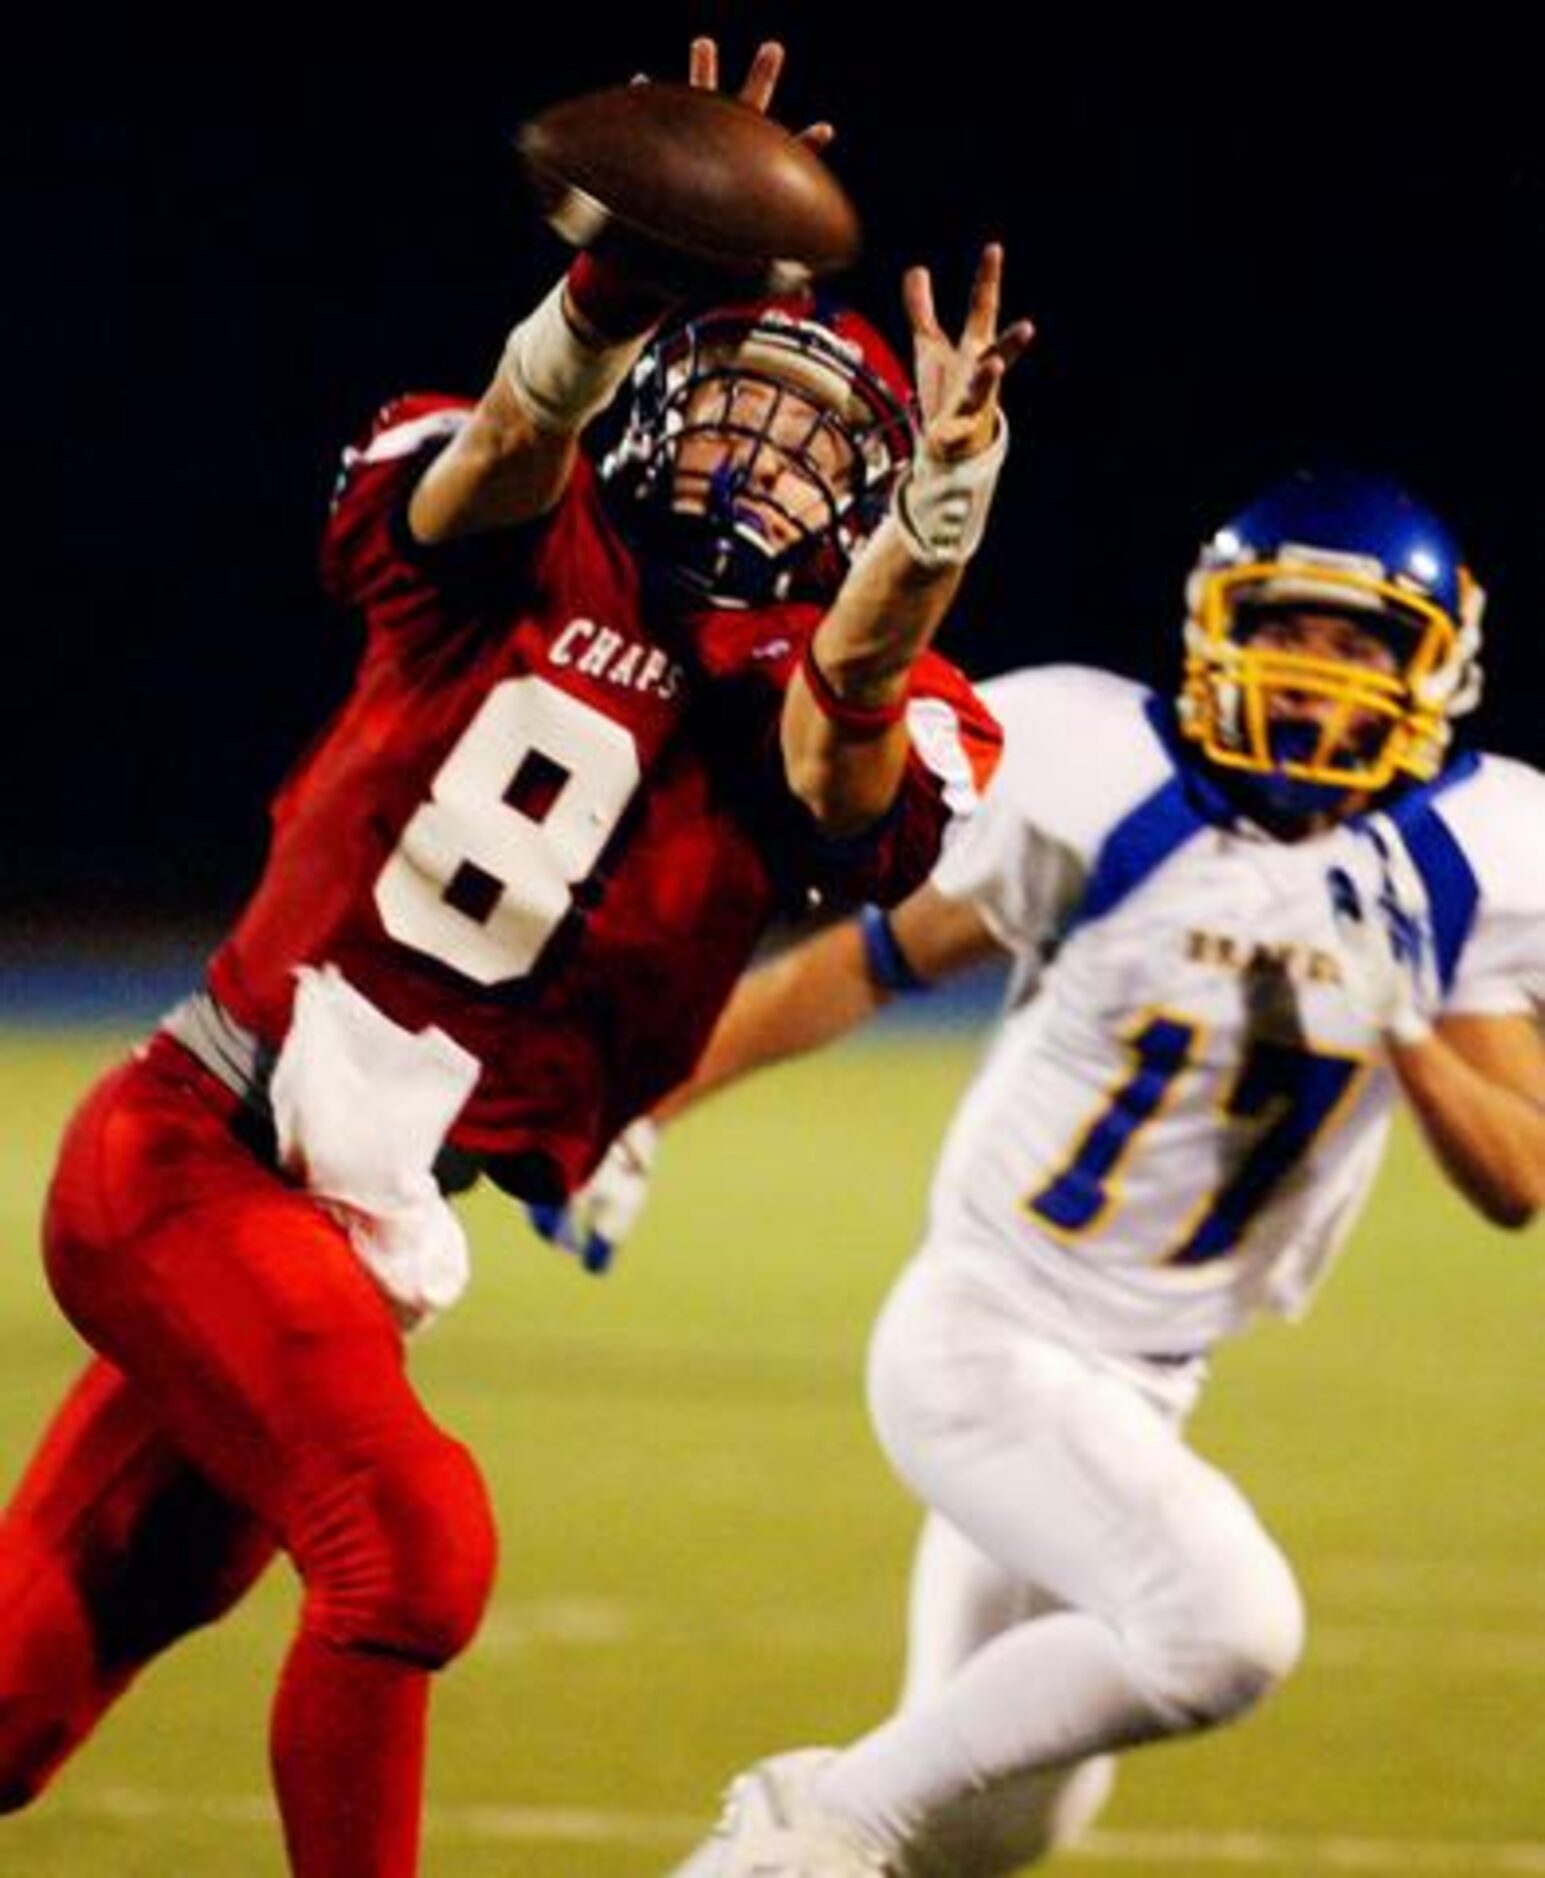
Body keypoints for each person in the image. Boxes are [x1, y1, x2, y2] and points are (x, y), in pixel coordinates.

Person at [0, 37, 1032, 1876]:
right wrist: (606, 285)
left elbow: (845, 729)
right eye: (730, 410)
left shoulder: (847, 682)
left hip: (352, 1235)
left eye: (812, 453)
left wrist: (932, 523)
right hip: (193, 1153)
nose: (755, 461)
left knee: (15, 1707)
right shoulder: (514, 544)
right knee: (410, 1548)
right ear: (651, 396)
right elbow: (494, 447)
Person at [580, 464, 1545, 1876]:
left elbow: (1515, 1176)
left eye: (1357, 645)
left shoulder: (1462, 869)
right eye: (1285, 627)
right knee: (1223, 1629)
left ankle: (806, 1837)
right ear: (1216, 631)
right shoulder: (1107, 778)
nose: (1312, 673)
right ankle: (811, 1817)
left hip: (1145, 1387)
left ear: (1432, 669)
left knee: (999, 1826)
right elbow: (865, 962)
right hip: (985, 1335)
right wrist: (633, 1101)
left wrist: (1396, 1013)